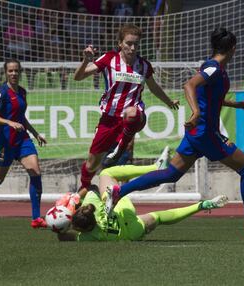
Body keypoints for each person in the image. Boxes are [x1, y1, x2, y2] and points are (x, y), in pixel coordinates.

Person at [104, 27, 244, 236]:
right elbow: (189, 86)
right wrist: (195, 112)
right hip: (205, 132)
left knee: (170, 174)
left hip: (198, 133)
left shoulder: (215, 68)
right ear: (233, 49)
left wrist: (235, 105)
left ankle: (119, 191)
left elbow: (211, 97)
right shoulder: (213, 68)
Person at [73, 23, 179, 192]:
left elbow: (153, 87)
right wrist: (86, 60)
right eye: (129, 43)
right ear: (120, 43)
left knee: (131, 113)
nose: (133, 47)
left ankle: (123, 145)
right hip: (109, 119)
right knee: (92, 162)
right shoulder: (109, 59)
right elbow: (78, 77)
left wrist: (168, 101)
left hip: (134, 115)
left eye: (136, 44)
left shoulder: (144, 66)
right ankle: (85, 186)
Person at [57, 155, 228, 242]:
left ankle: (201, 205)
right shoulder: (90, 206)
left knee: (160, 217)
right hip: (122, 211)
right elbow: (91, 188)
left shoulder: (85, 238)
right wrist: (74, 200)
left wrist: (57, 227)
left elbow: (63, 237)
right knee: (106, 173)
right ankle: (154, 167)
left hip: (131, 231)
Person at [0, 59, 47, 230]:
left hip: (22, 139)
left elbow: (21, 117)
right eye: (10, 71)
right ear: (5, 73)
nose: (14, 74)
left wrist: (35, 133)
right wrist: (9, 123)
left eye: (16, 71)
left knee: (35, 172)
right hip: (5, 143)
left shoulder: (22, 92)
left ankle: (36, 218)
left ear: (20, 72)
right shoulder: (1, 92)